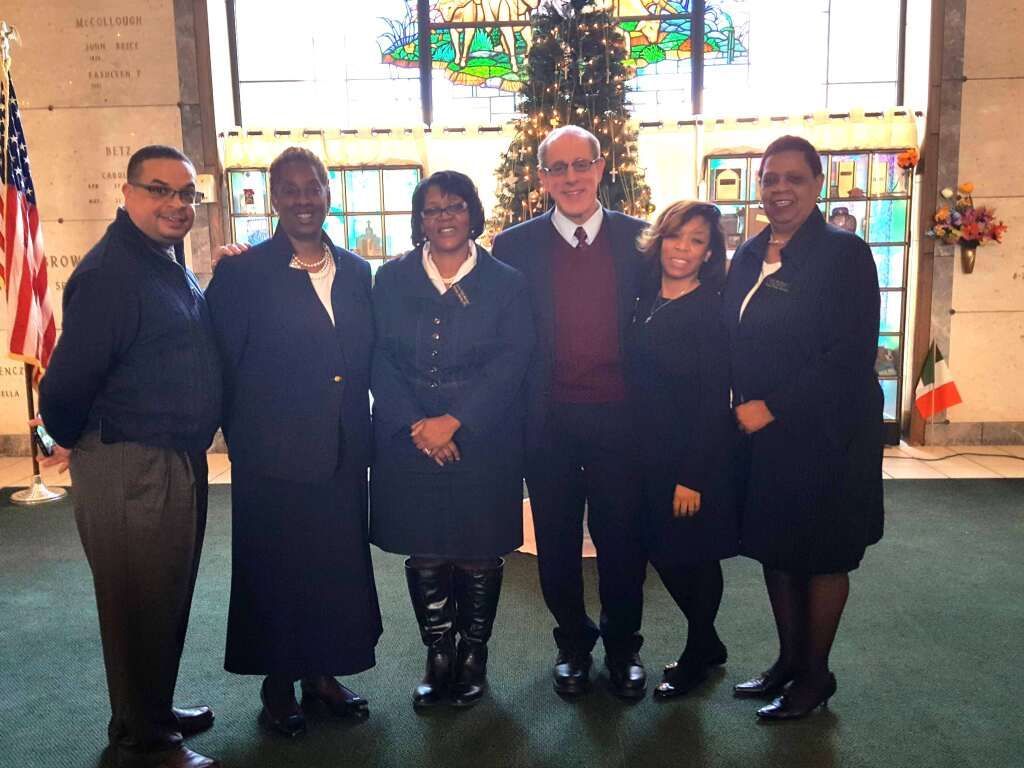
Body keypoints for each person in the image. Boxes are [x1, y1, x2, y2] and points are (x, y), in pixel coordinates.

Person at [37, 145, 221, 768]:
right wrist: (65, 437)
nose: (176, 204)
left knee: (164, 594)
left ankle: (153, 711)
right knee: (136, 602)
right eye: (159, 190)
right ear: (128, 192)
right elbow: (62, 387)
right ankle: (141, 744)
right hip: (129, 463)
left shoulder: (162, 263)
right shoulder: (111, 274)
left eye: (186, 194)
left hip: (170, 458)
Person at [204, 147, 382, 737]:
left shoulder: (358, 272)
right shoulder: (243, 272)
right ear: (273, 197)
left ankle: (322, 676)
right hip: (270, 455)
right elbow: (220, 364)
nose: (304, 199)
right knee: (276, 570)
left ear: (329, 192)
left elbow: (362, 360)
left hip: (341, 451)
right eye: (291, 189)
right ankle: (279, 686)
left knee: (334, 567)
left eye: (314, 187)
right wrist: (236, 441)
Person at [722, 135, 884, 719]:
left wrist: (773, 405)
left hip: (828, 432)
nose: (780, 189)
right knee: (778, 547)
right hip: (763, 436)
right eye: (770, 179)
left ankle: (816, 677)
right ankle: (789, 663)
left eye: (794, 178)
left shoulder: (844, 253)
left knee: (820, 553)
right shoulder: (747, 253)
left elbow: (847, 352)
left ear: (817, 184)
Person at [491, 125, 649, 700]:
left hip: (621, 421)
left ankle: (624, 646)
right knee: (556, 543)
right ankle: (574, 645)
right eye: (559, 168)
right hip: (548, 422)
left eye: (581, 164)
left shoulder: (641, 240)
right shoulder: (513, 247)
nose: (572, 177)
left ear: (602, 167)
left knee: (622, 540)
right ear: (542, 179)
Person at [370, 170, 534, 709]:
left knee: (478, 550)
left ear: (473, 213)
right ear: (419, 219)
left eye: (455, 206)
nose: (444, 216)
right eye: (432, 208)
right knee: (428, 548)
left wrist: (456, 421)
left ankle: (473, 655)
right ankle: (438, 653)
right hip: (410, 437)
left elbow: (514, 360)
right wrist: (420, 426)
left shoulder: (507, 281)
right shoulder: (390, 279)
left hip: (484, 439)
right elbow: (378, 358)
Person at [626, 201, 740, 699]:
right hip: (643, 454)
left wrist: (692, 475)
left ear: (709, 252)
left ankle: (698, 653)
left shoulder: (710, 311)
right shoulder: (642, 296)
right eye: (676, 236)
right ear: (660, 239)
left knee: (690, 556)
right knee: (660, 551)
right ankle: (710, 643)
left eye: (697, 241)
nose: (683, 248)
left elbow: (714, 399)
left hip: (690, 457)